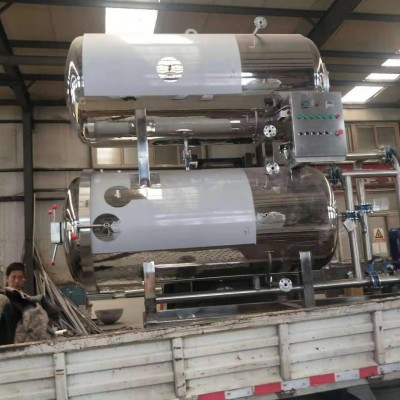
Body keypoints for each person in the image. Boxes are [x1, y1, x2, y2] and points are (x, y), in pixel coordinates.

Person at [0, 262, 59, 345]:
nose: (16, 281)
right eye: (13, 277)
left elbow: (55, 313)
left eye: (20, 278)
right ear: (7, 278)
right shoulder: (3, 297)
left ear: (24, 280)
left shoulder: (29, 301)